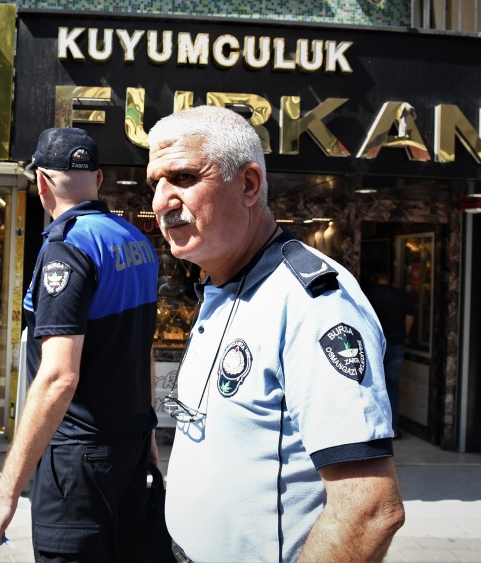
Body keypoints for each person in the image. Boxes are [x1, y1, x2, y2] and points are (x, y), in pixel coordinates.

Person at [146, 105, 404, 563]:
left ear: (248, 184)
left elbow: (368, 510)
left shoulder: (313, 302)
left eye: (183, 177)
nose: (162, 201)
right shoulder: (220, 284)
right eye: (155, 183)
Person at [0, 127, 160, 561]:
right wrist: (146, 430)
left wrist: (6, 492)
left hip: (77, 460)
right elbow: (142, 349)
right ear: (99, 179)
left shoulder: (68, 248)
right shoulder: (136, 242)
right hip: (129, 449)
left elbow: (58, 376)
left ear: (41, 182)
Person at [364, 271, 414, 439]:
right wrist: (403, 336)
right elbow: (409, 320)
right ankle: (392, 429)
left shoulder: (368, 293)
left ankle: (373, 429)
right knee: (392, 386)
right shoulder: (400, 295)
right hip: (396, 344)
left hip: (374, 345)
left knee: (370, 384)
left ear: (374, 278)